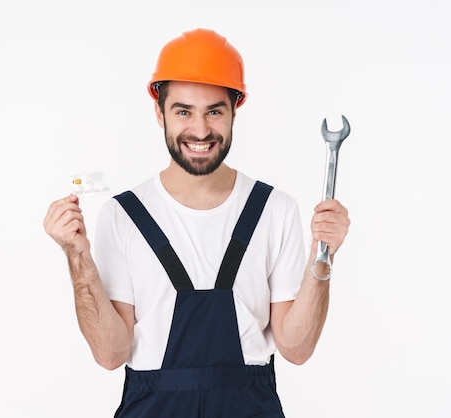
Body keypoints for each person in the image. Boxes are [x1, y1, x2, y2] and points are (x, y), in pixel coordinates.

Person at [43, 28, 350, 418]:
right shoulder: (122, 217)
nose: (201, 131)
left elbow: (297, 349)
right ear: (160, 112)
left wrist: (323, 258)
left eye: (215, 111)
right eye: (184, 111)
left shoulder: (275, 210)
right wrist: (77, 257)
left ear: (235, 110)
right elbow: (110, 354)